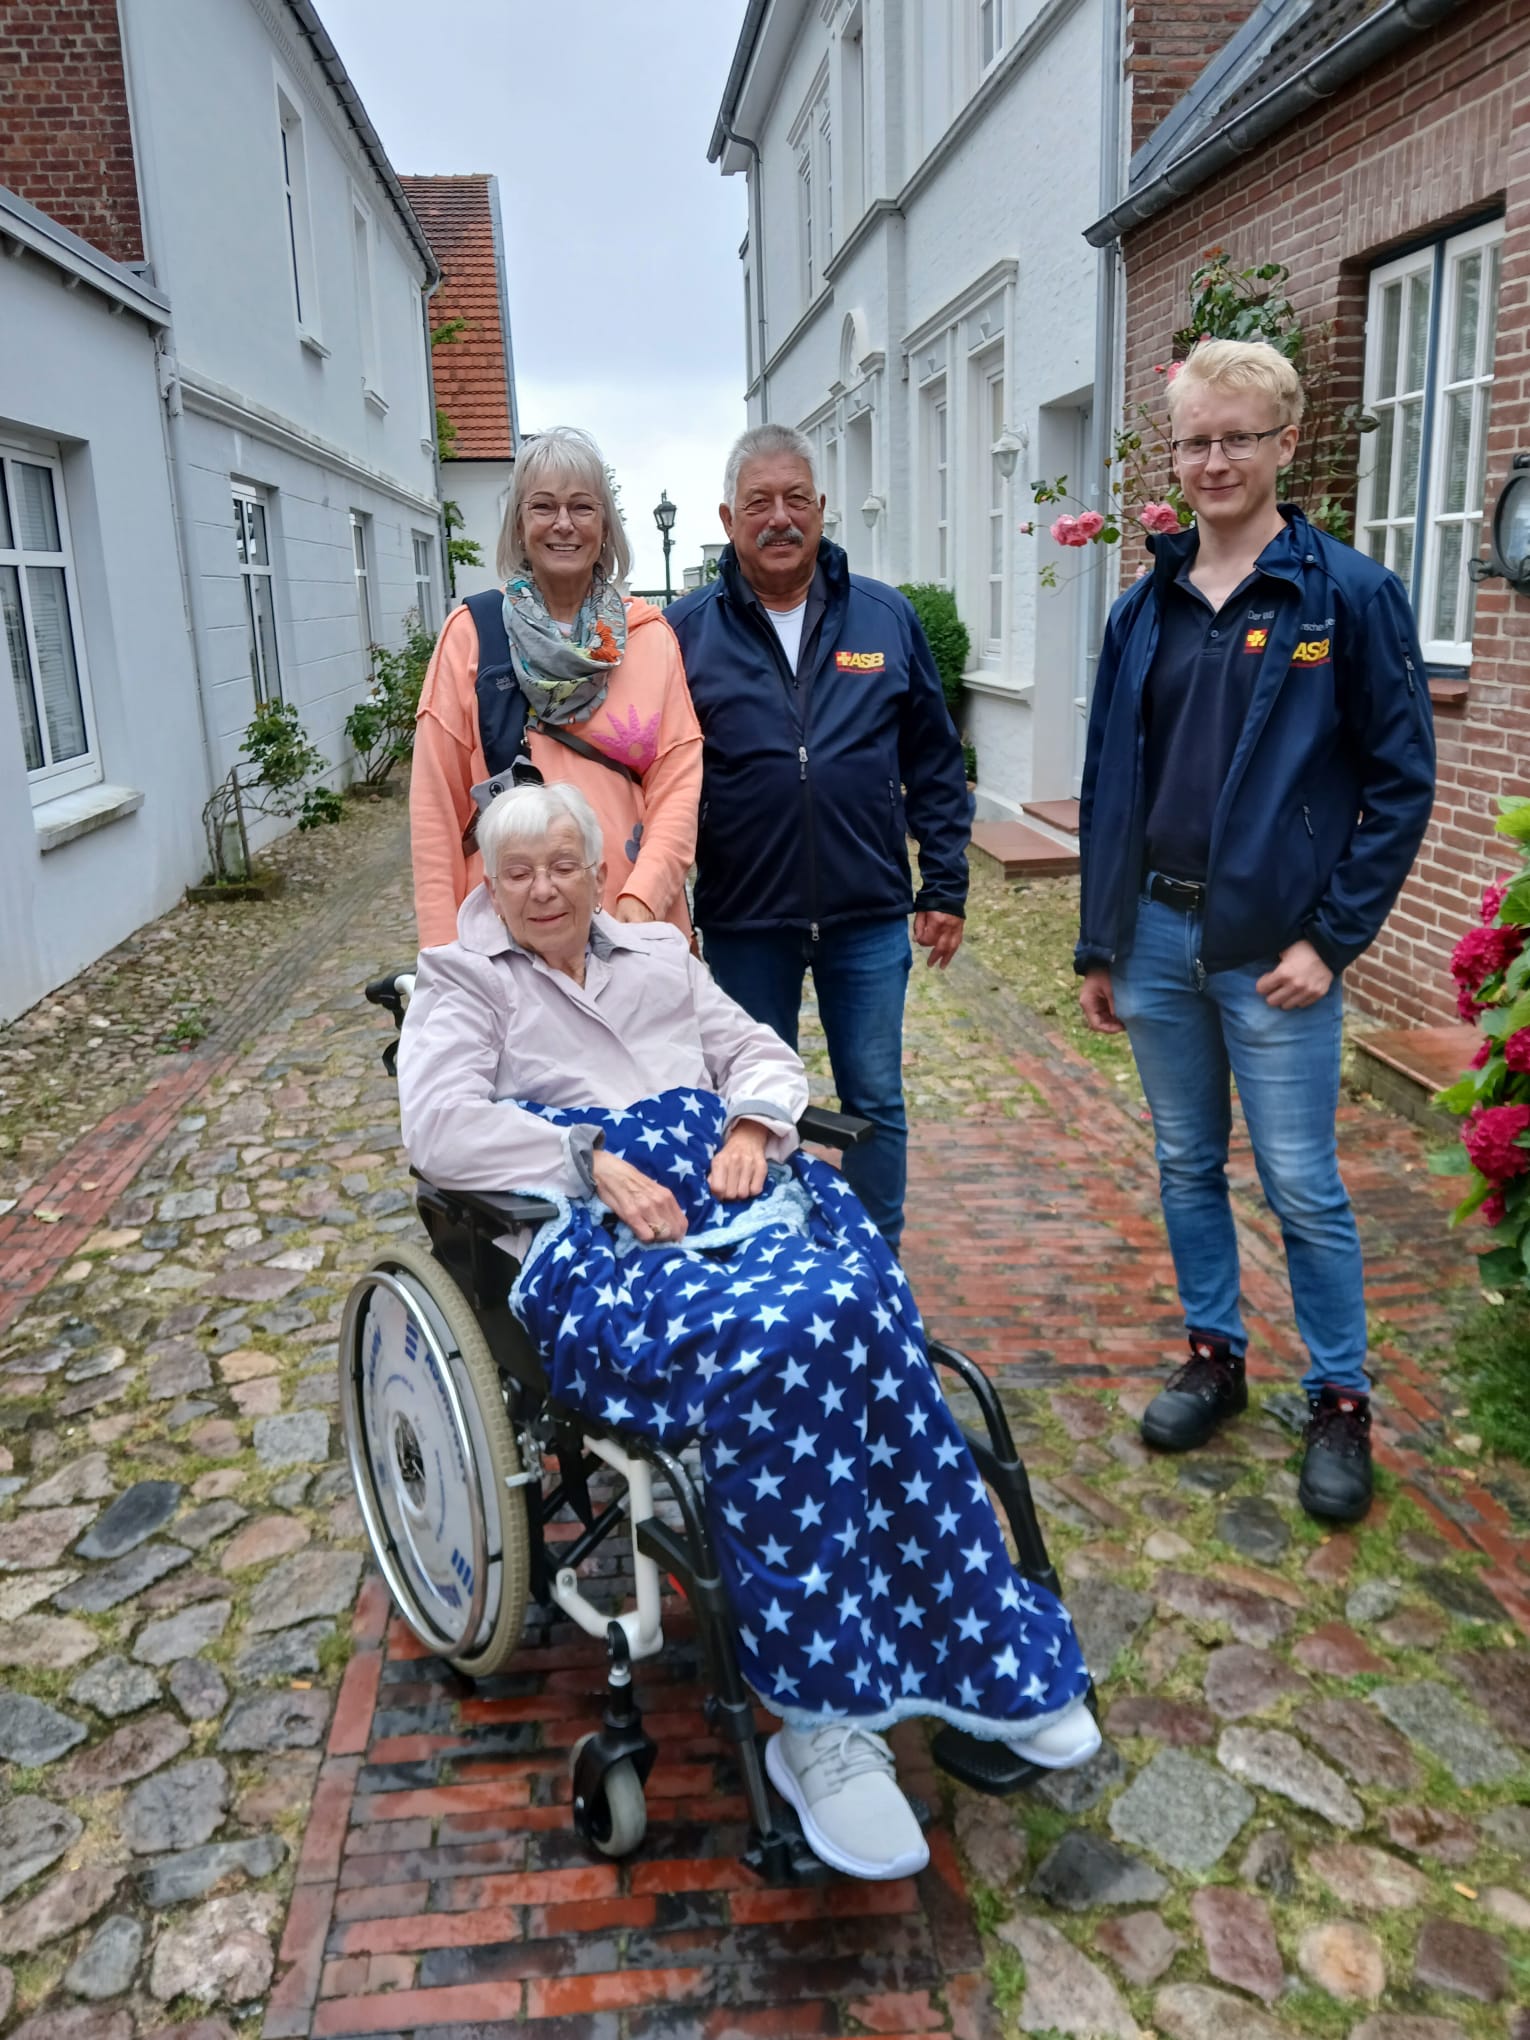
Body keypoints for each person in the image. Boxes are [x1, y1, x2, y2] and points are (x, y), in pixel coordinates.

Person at [398, 780, 1099, 1882]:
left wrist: (754, 1122)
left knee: (861, 1308)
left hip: (740, 1201)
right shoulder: (463, 981)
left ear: (599, 871)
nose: (542, 889)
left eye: (564, 866)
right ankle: (821, 1724)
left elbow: (757, 1049)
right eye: (517, 871)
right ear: (489, 879)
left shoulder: (659, 957)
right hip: (611, 1239)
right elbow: (438, 1127)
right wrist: (586, 1159)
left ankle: (977, 1641)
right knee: (786, 1344)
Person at [1077, 339, 1436, 1524]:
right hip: (1155, 938)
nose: (1215, 461)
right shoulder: (1144, 609)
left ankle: (1340, 1400)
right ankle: (1215, 1357)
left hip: (1277, 955)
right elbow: (1110, 781)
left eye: (1238, 438)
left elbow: (1401, 783)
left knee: (1302, 1186)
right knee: (1186, 1163)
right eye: (1195, 441)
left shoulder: (1349, 597)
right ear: (1173, 457)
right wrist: (1099, 941)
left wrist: (1331, 941)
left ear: (1286, 441)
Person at [664, 424, 973, 1256]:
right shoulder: (683, 633)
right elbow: (654, 776)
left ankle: (877, 1264)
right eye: (759, 502)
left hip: (866, 915)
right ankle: (772, 1257)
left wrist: (945, 884)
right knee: (749, 1102)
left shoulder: (884, 616)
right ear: (727, 518)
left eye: (796, 498)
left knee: (875, 1101)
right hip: (744, 918)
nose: (780, 517)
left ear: (822, 508)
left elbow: (934, 760)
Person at [409, 426, 702, 950]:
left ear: (605, 527)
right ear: (519, 525)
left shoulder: (648, 637)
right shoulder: (472, 635)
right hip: (507, 940)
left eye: (582, 507)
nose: (563, 523)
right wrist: (440, 956)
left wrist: (643, 899)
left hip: (634, 926)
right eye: (543, 506)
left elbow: (678, 782)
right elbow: (436, 810)